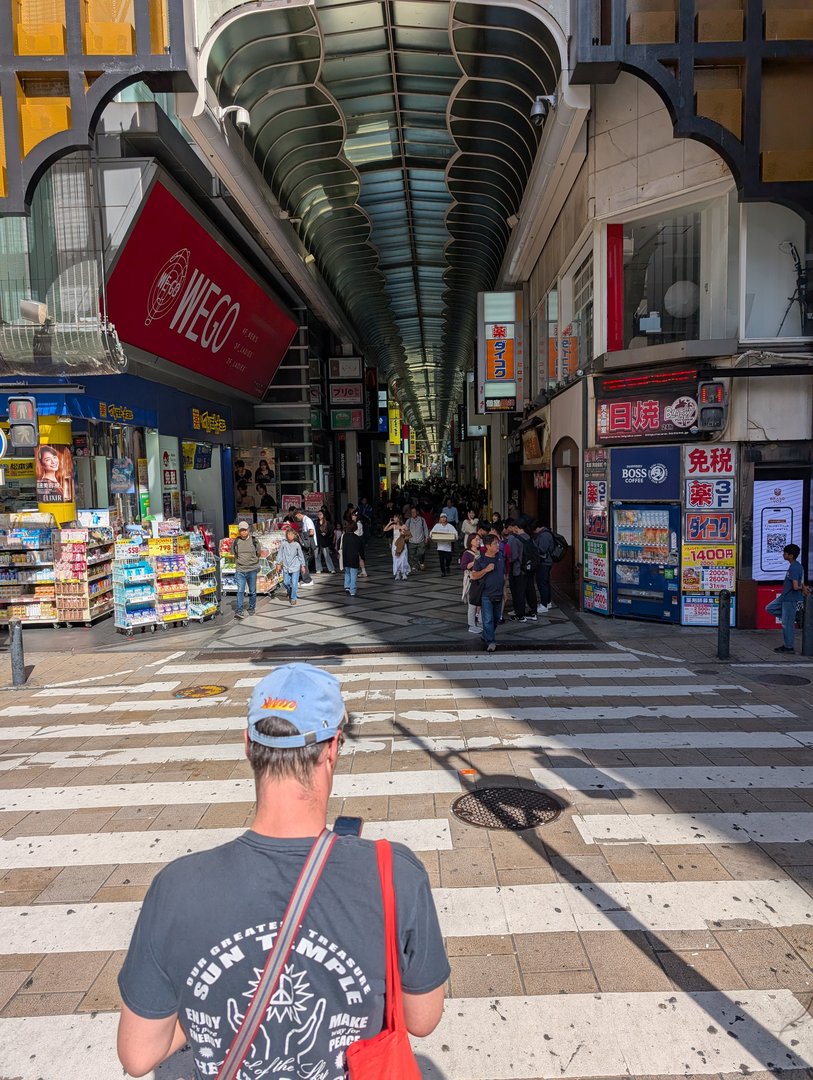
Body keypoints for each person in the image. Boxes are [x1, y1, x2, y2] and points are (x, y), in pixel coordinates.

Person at [117, 663, 448, 1079]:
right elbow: (423, 1019)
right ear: (333, 748)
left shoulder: (177, 888)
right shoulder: (393, 875)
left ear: (247, 746)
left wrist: (212, 1010)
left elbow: (137, 1055)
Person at [766, 543, 810, 653]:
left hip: (790, 598)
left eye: (785, 553)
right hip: (785, 597)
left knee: (787, 624)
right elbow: (801, 582)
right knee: (769, 608)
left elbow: (795, 586)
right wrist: (803, 587)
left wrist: (802, 588)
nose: (783, 554)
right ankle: (793, 617)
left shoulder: (794, 568)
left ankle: (788, 647)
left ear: (790, 555)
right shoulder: (797, 566)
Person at [470, 532, 505, 652]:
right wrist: (486, 569)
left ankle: (486, 635)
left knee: (496, 618)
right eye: (495, 543)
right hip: (486, 594)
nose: (498, 545)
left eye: (498, 543)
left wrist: (505, 591)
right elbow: (473, 575)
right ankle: (491, 641)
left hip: (499, 593)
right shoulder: (480, 559)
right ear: (488, 546)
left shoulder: (500, 556)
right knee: (488, 619)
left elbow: (502, 575)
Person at [505, 524, 538, 622]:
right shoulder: (528, 537)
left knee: (519, 592)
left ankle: (520, 615)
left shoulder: (515, 539)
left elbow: (513, 556)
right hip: (529, 569)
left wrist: (507, 561)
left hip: (518, 570)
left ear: (516, 527)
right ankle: (533, 612)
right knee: (530, 591)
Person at [231, 521, 260, 619]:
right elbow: (234, 554)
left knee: (252, 591)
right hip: (240, 570)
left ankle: (252, 608)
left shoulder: (254, 540)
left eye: (245, 530)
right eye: (241, 530)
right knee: (240, 591)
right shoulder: (236, 542)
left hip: (252, 569)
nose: (243, 532)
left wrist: (253, 563)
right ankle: (239, 611)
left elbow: (258, 553)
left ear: (248, 530)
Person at [275, 526, 307, 606]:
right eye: (288, 534)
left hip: (295, 566)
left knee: (294, 582)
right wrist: (278, 564)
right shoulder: (283, 543)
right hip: (286, 566)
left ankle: (293, 598)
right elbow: (280, 554)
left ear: (294, 535)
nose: (290, 536)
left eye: (291, 534)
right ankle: (290, 591)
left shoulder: (297, 545)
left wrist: (302, 565)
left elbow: (300, 556)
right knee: (286, 582)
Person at [460, 531, 482, 634]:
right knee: (472, 603)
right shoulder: (467, 553)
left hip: (481, 579)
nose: (478, 541)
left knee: (481, 602)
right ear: (471, 541)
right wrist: (476, 561)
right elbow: (464, 566)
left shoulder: (481, 551)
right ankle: (472, 625)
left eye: (479, 539)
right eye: (476, 539)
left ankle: (481, 622)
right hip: (471, 580)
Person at [534, 524, 556, 614]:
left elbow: (542, 549)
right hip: (546, 562)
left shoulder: (544, 535)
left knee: (542, 583)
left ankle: (544, 605)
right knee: (545, 582)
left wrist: (533, 548)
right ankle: (547, 602)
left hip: (544, 562)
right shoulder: (545, 534)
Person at [339, 521, 365, 597]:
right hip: (354, 558)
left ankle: (347, 586)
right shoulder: (357, 538)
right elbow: (361, 550)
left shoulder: (344, 536)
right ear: (355, 528)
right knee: (353, 574)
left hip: (345, 557)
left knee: (347, 572)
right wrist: (362, 558)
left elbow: (339, 545)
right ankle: (352, 590)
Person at [384, 513, 411, 580]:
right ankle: (398, 574)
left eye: (395, 517)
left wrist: (403, 533)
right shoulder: (393, 526)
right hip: (395, 544)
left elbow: (409, 534)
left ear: (399, 519)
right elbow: (385, 529)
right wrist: (389, 523)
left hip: (402, 544)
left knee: (403, 559)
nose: (394, 519)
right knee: (396, 559)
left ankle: (404, 573)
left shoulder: (404, 526)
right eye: (394, 517)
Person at [294, 508, 316, 586]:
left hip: (307, 545)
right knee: (302, 562)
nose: (296, 517)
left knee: (304, 562)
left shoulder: (307, 520)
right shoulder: (304, 521)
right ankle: (303, 579)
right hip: (306, 545)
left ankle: (308, 580)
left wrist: (303, 538)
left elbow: (311, 532)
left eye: (296, 515)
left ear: (299, 514)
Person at [406, 506, 429, 571]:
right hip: (411, 541)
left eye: (414, 512)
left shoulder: (422, 520)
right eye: (412, 512)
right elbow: (405, 530)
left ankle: (421, 562)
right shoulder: (408, 521)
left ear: (417, 512)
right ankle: (414, 565)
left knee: (421, 553)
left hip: (420, 540)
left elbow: (425, 528)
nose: (413, 513)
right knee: (412, 555)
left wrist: (426, 537)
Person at [314, 509, 336, 573]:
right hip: (317, 541)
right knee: (317, 556)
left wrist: (326, 534)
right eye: (318, 514)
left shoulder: (327, 523)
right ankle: (318, 569)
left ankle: (331, 569)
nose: (319, 516)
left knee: (327, 555)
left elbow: (331, 531)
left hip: (324, 541)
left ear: (323, 515)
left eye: (320, 514)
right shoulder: (316, 522)